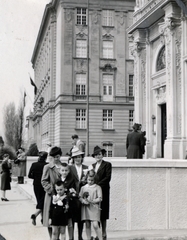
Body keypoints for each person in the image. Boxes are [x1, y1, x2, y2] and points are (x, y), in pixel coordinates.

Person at [41, 146, 63, 240]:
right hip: (51, 197)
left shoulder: (64, 166)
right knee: (50, 219)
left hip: (62, 196)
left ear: (60, 156)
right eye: (54, 157)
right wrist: (51, 191)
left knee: (60, 220)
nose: (56, 159)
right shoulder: (48, 167)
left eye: (57, 156)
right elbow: (44, 181)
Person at [91, 146, 112, 240]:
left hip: (103, 190)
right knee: (96, 212)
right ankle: (97, 233)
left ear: (102, 155)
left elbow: (108, 178)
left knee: (103, 212)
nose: (98, 156)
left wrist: (98, 185)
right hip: (94, 191)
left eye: (99, 154)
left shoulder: (107, 164)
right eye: (96, 155)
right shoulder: (93, 166)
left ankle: (104, 233)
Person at [69, 146, 88, 240]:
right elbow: (68, 181)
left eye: (79, 157)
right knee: (72, 217)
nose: (78, 159)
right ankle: (71, 237)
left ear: (82, 158)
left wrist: (84, 182)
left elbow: (89, 181)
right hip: (73, 195)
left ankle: (80, 236)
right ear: (73, 158)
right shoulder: (70, 168)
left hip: (82, 195)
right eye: (76, 157)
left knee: (81, 218)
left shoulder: (86, 168)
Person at [79, 169, 102, 240]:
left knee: (95, 225)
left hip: (94, 207)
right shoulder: (83, 187)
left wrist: (92, 201)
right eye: (89, 180)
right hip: (86, 208)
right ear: (86, 179)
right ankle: (88, 238)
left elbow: (100, 198)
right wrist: (83, 201)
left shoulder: (97, 187)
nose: (90, 181)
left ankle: (100, 238)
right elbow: (80, 197)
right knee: (87, 224)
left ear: (94, 180)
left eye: (92, 180)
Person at [28, 151, 48, 225]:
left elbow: (29, 175)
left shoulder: (34, 164)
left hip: (36, 185)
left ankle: (41, 218)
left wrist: (36, 177)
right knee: (43, 202)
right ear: (46, 157)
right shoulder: (47, 165)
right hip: (45, 185)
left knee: (39, 201)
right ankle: (37, 215)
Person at [60, 162, 76, 240]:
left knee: (70, 223)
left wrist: (67, 195)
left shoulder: (71, 180)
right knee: (62, 223)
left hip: (68, 203)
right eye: (62, 170)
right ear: (60, 171)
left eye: (66, 170)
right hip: (60, 203)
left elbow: (72, 191)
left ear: (68, 171)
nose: (64, 172)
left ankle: (71, 238)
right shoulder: (58, 180)